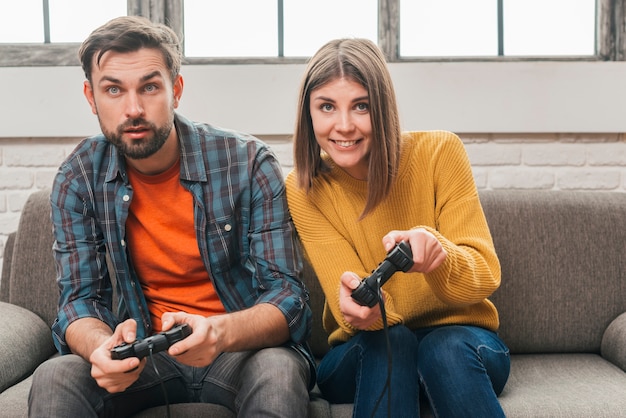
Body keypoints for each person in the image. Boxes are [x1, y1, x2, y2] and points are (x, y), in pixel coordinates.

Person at [28, 15, 314, 417]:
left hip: (236, 351)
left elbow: (288, 296)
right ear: (91, 97)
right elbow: (79, 301)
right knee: (56, 376)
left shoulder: (247, 162)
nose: (133, 108)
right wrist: (101, 346)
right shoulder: (78, 177)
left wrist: (219, 331)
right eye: (113, 89)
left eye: (149, 87)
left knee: (280, 370)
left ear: (175, 90)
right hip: (146, 356)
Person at [285, 38, 510, 417]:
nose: (344, 126)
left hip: (463, 343)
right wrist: (362, 310)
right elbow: (350, 310)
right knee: (396, 341)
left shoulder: (441, 153)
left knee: (442, 347)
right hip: (363, 347)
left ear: (383, 108)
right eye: (327, 106)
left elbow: (485, 275)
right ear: (308, 114)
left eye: (361, 106)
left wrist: (439, 256)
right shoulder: (304, 188)